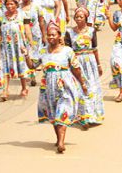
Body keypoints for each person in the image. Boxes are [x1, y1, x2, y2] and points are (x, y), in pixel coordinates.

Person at [27, 22, 87, 154]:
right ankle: (58, 138)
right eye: (48, 35)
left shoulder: (67, 51)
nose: (50, 37)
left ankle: (61, 142)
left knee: (63, 109)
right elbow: (32, 65)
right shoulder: (43, 51)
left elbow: (76, 69)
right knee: (53, 113)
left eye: (53, 35)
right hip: (48, 86)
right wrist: (26, 55)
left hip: (65, 85)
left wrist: (82, 83)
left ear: (59, 36)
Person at [64, 7, 105, 128]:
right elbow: (68, 51)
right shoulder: (69, 32)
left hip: (90, 61)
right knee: (80, 89)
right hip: (77, 62)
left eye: (81, 16)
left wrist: (98, 65)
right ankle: (83, 117)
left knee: (92, 88)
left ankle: (93, 115)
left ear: (86, 18)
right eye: (76, 16)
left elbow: (95, 49)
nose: (78, 19)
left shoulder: (91, 31)